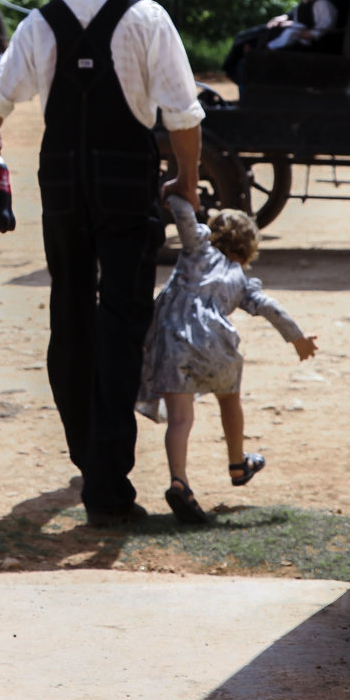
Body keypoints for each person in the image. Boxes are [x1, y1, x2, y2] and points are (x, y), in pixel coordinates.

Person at [0, 0, 204, 528]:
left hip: (63, 188)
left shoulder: (38, 24)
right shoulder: (148, 17)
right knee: (121, 324)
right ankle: (106, 484)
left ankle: (87, 455)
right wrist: (186, 180)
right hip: (126, 187)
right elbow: (183, 115)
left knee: (70, 314)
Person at [137, 194, 318, 525]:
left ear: (213, 234)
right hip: (217, 347)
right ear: (248, 250)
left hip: (173, 343)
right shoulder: (242, 281)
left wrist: (172, 195)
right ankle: (238, 464)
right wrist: (298, 340)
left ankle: (179, 482)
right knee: (229, 399)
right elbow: (269, 307)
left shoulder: (196, 248)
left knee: (180, 420)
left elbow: (185, 214)